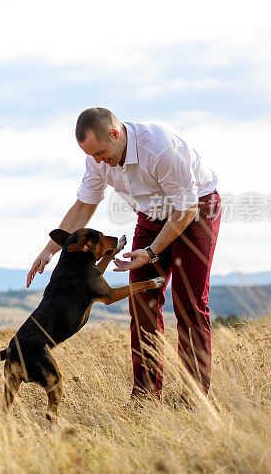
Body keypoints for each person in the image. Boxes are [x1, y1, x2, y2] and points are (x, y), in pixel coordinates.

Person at [27, 107, 221, 400]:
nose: (97, 161)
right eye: (90, 155)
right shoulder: (97, 159)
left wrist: (153, 252)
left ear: (115, 134)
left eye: (101, 152)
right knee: (142, 303)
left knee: (189, 303)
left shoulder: (160, 148)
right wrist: (49, 250)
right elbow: (83, 206)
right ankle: (146, 396)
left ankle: (194, 398)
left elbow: (185, 210)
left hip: (194, 213)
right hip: (151, 215)